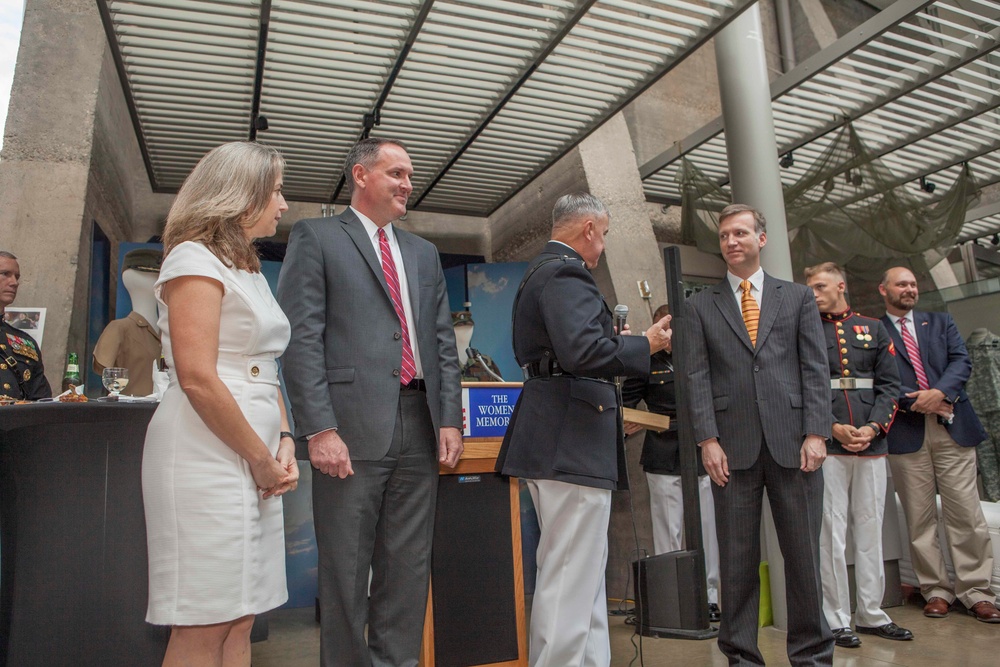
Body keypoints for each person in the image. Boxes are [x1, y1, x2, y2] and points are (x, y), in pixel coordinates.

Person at [278, 137, 464, 666]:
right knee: (345, 572)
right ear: (361, 175)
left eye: (410, 175)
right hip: (348, 429)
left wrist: (448, 417)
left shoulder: (424, 254)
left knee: (407, 571)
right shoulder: (315, 237)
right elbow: (301, 339)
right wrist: (319, 428)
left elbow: (441, 342)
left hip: (419, 422)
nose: (409, 184)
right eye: (397, 173)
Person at [495, 192, 672, 667]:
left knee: (582, 573)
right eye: (606, 234)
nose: (604, 244)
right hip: (569, 433)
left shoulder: (545, 271)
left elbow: (571, 349)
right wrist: (643, 344)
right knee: (571, 573)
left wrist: (617, 342)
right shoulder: (566, 271)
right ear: (589, 229)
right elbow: (581, 353)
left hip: (561, 431)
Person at [141, 141, 299, 667]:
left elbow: (263, 365)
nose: (283, 203)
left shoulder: (249, 270)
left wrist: (283, 439)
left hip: (254, 451)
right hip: (202, 453)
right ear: (241, 195)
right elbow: (198, 378)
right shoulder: (192, 258)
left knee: (242, 616)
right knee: (204, 620)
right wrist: (259, 458)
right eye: (275, 190)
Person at [681, 204, 834, 666]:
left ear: (761, 239)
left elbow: (814, 369)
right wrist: (707, 440)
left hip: (795, 445)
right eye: (725, 235)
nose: (731, 241)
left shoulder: (798, 298)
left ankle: (811, 656)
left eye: (741, 233)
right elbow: (695, 378)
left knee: (804, 560)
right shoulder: (698, 306)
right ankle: (742, 657)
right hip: (731, 450)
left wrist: (817, 433)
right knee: (737, 564)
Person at [878, 266, 1000, 623]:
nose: (910, 289)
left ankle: (977, 592)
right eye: (902, 284)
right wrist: (916, 400)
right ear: (883, 290)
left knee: (966, 512)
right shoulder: (872, 331)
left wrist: (939, 393)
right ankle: (935, 590)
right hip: (906, 431)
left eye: (913, 284)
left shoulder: (941, 322)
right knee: (919, 517)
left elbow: (962, 362)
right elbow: (875, 380)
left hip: (952, 426)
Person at [804, 262, 912, 648]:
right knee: (830, 533)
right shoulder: (807, 329)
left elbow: (890, 386)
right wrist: (830, 426)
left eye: (819, 286)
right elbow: (803, 387)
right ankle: (836, 617)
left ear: (840, 285)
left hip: (871, 442)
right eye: (810, 287)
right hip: (828, 443)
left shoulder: (873, 327)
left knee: (870, 529)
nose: (813, 293)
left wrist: (872, 428)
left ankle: (871, 612)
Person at [621, 303, 721, 623]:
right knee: (668, 530)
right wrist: (638, 420)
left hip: (702, 451)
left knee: (708, 528)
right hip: (662, 453)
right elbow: (624, 405)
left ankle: (711, 597)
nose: (668, 334)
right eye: (662, 328)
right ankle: (672, 597)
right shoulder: (645, 362)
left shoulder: (705, 359)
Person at [93, 248, 163, 396]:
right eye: (149, 276)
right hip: (129, 413)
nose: (157, 282)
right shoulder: (119, 329)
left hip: (165, 412)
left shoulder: (168, 331)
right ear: (130, 279)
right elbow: (104, 371)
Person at [0, 250, 52, 400]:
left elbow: (41, 401)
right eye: (5, 274)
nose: (14, 282)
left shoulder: (26, 342)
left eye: (17, 277)